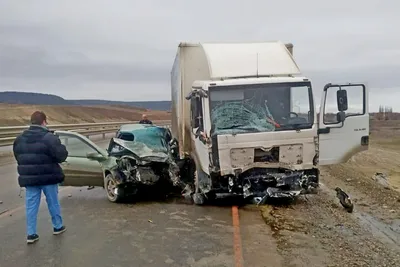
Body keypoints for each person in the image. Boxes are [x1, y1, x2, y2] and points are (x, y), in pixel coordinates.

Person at [13, 111, 68, 244]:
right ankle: (57, 226)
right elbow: (61, 156)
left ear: (31, 122)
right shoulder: (49, 138)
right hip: (48, 177)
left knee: (31, 206)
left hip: (30, 179)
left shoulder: (19, 139)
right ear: (44, 122)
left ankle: (31, 234)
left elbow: (18, 156)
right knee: (53, 202)